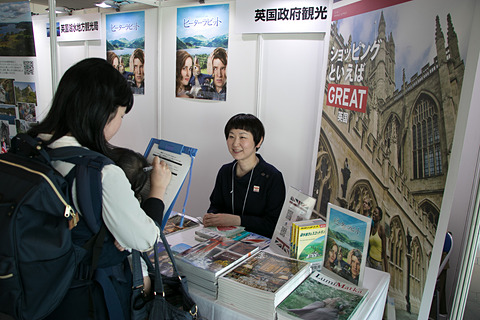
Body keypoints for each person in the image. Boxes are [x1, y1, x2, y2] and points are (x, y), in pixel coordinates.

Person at [28, 57, 171, 320]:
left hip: (36, 288)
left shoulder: (30, 148)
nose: (119, 124)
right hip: (83, 296)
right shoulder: (102, 173)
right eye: (120, 116)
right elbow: (146, 238)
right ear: (102, 114)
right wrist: (158, 190)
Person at [203, 113, 286, 238]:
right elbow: (215, 206)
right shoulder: (225, 171)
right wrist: (211, 217)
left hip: (258, 245)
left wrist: (237, 220)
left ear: (258, 141)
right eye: (231, 136)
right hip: (223, 240)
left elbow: (273, 225)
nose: (235, 143)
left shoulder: (272, 177)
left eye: (243, 137)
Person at [367, 206, 388, 272]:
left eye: (376, 213)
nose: (373, 214)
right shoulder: (371, 228)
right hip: (369, 261)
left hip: (377, 265)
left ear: (379, 217)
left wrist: (386, 272)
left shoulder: (381, 230)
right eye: (373, 212)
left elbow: (384, 252)